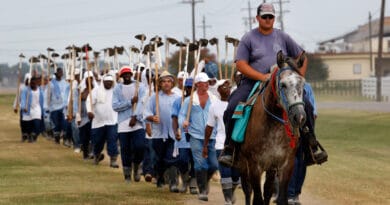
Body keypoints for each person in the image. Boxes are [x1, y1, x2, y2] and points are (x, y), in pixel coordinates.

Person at [218, 2, 308, 166]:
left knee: (305, 104)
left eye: (271, 17)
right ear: (257, 18)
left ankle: (311, 146)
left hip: (282, 83)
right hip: (253, 82)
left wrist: (298, 78)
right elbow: (240, 64)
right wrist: (261, 77)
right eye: (264, 16)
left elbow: (302, 56)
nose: (268, 19)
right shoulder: (249, 38)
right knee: (232, 106)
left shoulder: (283, 37)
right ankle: (230, 149)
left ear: (275, 18)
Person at [179, 72, 219, 201]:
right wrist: (183, 122)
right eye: (204, 82)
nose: (207, 84)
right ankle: (202, 190)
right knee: (200, 163)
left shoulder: (213, 99)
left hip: (212, 136)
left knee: (213, 164)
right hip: (195, 135)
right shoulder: (190, 100)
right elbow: (181, 115)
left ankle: (204, 180)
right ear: (197, 84)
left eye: (208, 82)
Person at [202, 79, 240, 205]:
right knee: (225, 173)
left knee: (235, 176)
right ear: (218, 90)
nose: (226, 88)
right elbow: (209, 127)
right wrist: (205, 145)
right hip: (221, 144)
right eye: (223, 86)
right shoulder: (214, 106)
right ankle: (228, 200)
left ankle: (231, 192)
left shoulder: (237, 104)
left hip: (236, 143)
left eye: (228, 86)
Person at [144, 70, 180, 191]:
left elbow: (183, 113)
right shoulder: (155, 98)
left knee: (172, 158)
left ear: (172, 83)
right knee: (160, 158)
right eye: (163, 81)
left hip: (174, 133)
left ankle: (173, 183)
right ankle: (160, 178)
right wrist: (152, 117)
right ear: (159, 84)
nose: (166, 84)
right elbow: (146, 112)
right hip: (159, 133)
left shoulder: (178, 97)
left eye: (168, 81)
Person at [112, 66, 146, 183]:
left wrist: (135, 116)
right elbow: (115, 106)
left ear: (131, 74)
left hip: (138, 122)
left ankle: (136, 166)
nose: (127, 76)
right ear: (121, 76)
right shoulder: (117, 88)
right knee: (125, 150)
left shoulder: (139, 86)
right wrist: (130, 102)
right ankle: (127, 174)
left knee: (140, 146)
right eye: (124, 74)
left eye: (128, 74)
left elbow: (142, 102)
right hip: (123, 123)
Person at [171, 78, 198, 194]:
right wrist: (176, 131)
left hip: (197, 136)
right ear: (185, 88)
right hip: (182, 135)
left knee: (195, 161)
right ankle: (185, 179)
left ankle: (193, 182)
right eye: (188, 87)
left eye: (193, 88)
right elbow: (174, 118)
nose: (190, 90)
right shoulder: (179, 101)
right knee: (182, 160)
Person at [87, 74, 119, 167]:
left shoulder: (115, 91)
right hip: (98, 122)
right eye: (107, 82)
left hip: (112, 121)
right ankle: (96, 156)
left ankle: (113, 160)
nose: (109, 83)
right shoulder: (96, 91)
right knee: (98, 141)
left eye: (110, 82)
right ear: (103, 82)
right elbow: (89, 101)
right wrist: (89, 111)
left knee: (112, 140)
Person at [47, 67, 69, 144]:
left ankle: (65, 138)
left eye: (61, 72)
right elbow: (48, 95)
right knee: (56, 124)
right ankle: (57, 138)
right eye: (59, 72)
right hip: (54, 107)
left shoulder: (65, 83)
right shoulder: (51, 83)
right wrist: (48, 106)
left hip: (63, 107)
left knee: (64, 123)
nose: (60, 74)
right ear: (56, 74)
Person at [20, 75, 44, 142]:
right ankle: (30, 136)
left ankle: (34, 135)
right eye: (32, 83)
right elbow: (23, 99)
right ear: (30, 83)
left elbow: (42, 101)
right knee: (28, 126)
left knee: (37, 124)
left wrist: (43, 110)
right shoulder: (26, 90)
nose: (33, 85)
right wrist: (24, 107)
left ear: (36, 83)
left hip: (37, 109)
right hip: (28, 110)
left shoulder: (40, 90)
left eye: (34, 83)